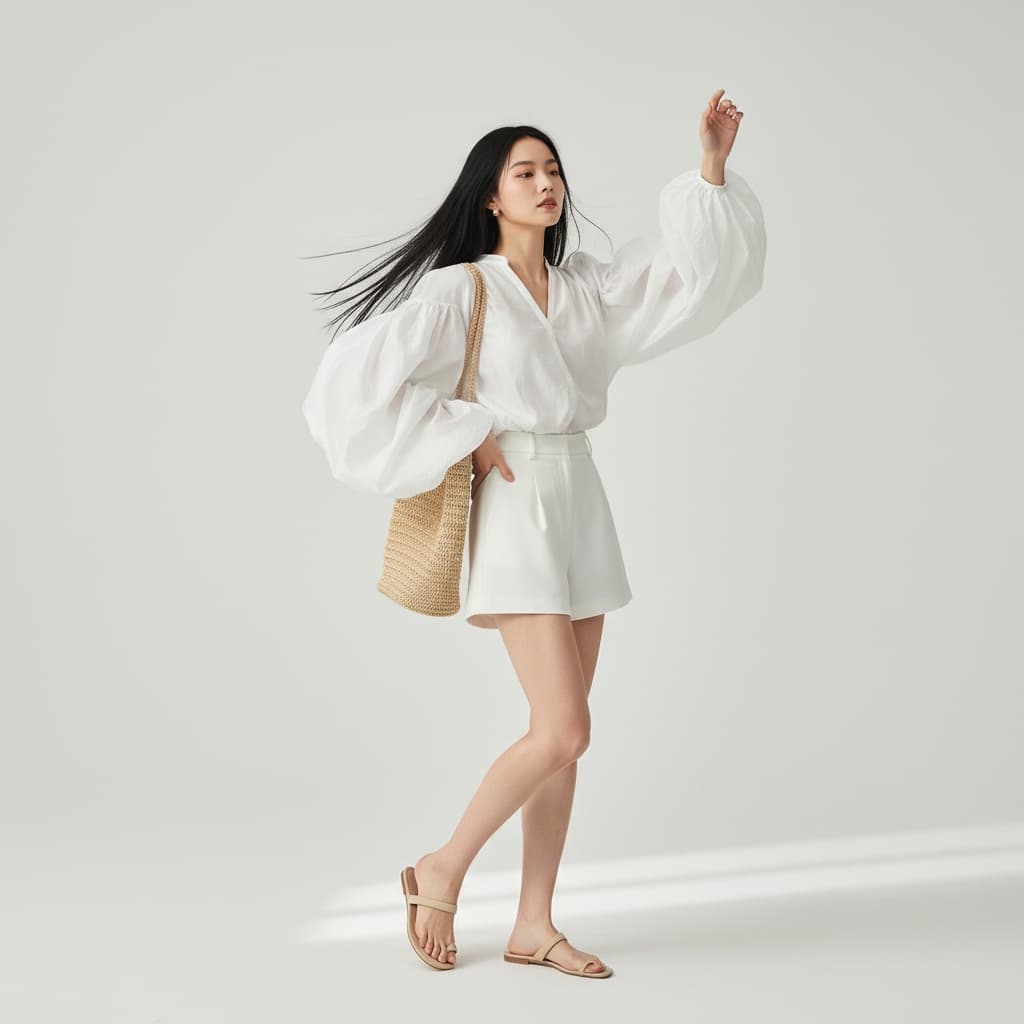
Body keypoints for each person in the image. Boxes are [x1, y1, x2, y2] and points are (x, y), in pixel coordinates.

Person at [301, 88, 767, 978]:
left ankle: (533, 924)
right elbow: (352, 391)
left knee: (563, 731)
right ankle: (441, 867)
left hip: (579, 493)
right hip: (515, 503)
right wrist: (467, 436)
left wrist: (709, 167)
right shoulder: (458, 291)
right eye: (526, 172)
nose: (546, 183)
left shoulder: (585, 285)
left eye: (553, 169)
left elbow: (690, 282)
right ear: (491, 196)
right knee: (565, 727)